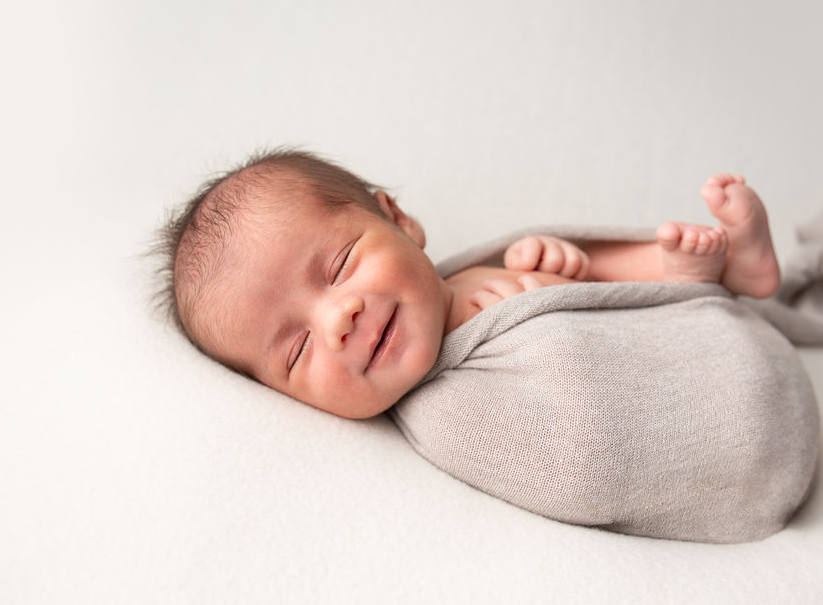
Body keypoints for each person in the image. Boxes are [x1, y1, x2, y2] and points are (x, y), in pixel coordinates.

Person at [158, 149, 781, 419]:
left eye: (341, 265)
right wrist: (541, 322)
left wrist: (562, 272)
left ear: (398, 219)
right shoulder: (443, 413)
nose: (337, 320)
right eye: (296, 352)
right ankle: (701, 290)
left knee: (578, 259)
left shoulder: (470, 276)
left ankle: (719, 273)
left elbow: (594, 296)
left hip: (641, 313)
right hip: (658, 359)